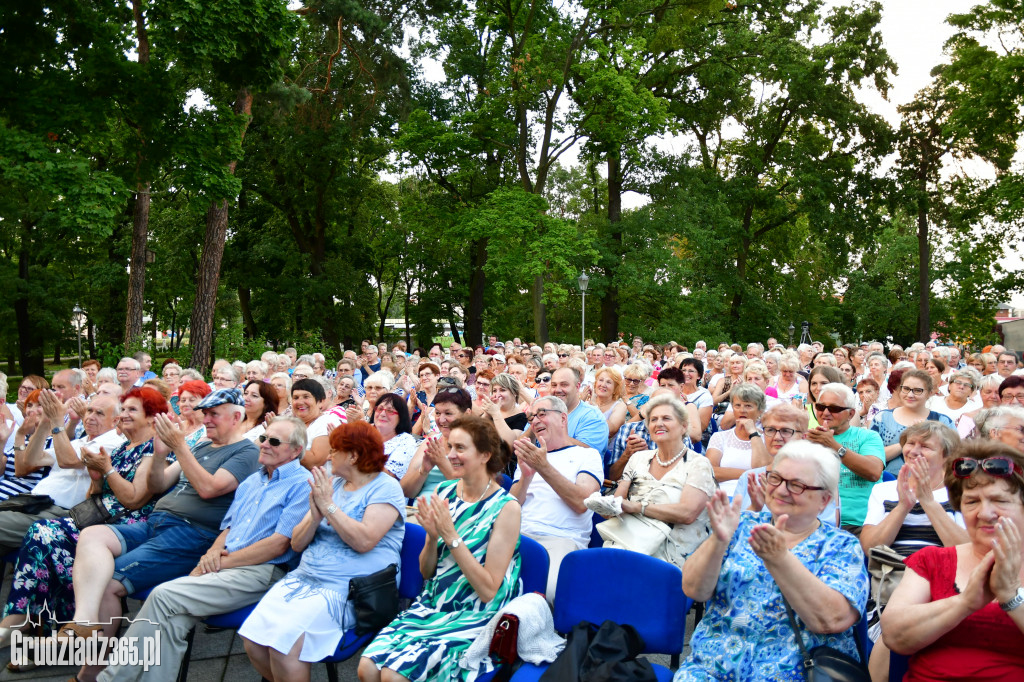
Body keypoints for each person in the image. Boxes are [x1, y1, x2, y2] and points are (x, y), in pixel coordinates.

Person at [90, 417, 311, 682]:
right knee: (171, 621)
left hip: (261, 571)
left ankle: (109, 679)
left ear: (296, 450)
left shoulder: (301, 483)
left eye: (274, 441)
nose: (264, 445)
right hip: (227, 565)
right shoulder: (253, 481)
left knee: (163, 596)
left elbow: (278, 545)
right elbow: (228, 529)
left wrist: (219, 563)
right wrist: (211, 554)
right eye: (264, 438)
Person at [59, 388, 260, 640]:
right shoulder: (202, 444)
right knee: (92, 534)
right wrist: (160, 455)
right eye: (205, 413)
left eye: (214, 414)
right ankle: (83, 622)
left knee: (107, 582)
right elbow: (158, 485)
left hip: (190, 534)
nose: (206, 419)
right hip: (157, 523)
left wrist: (179, 446)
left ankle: (92, 672)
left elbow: (209, 489)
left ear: (236, 417)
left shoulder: (247, 452)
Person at [676, 441, 867, 680]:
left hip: (794, 673)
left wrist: (781, 559)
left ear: (824, 500)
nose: (781, 490)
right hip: (710, 670)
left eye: (797, 485)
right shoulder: (741, 524)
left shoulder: (842, 546)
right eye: (775, 478)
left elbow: (830, 620)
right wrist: (718, 541)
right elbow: (693, 589)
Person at [359, 416, 522, 682]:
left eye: (460, 448)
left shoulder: (506, 508)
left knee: (393, 676)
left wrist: (449, 535)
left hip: (475, 611)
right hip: (434, 601)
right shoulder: (445, 491)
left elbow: (488, 590)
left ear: (485, 455)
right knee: (367, 667)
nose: (451, 455)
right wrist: (433, 537)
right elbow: (426, 572)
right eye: (450, 447)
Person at [241, 421, 405, 682]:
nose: (328, 456)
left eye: (334, 451)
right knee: (253, 639)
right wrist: (315, 515)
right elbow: (296, 543)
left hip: (350, 588)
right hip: (305, 578)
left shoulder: (385, 487)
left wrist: (328, 507)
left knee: (285, 647)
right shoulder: (335, 483)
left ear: (353, 455)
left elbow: (364, 541)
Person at [0, 387, 168, 638]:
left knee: (46, 535)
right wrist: (97, 480)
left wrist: (107, 470)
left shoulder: (149, 450)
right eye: (124, 409)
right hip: (95, 518)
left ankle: (34, 623)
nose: (125, 414)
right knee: (45, 536)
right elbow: (94, 497)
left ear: (152, 417)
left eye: (132, 409)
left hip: (126, 524)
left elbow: (134, 500)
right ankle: (40, 625)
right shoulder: (124, 448)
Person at [881, 440, 1024, 679]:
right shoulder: (932, 561)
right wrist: (965, 603)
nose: (985, 513)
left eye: (1000, 500)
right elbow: (895, 637)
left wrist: (1011, 597)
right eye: (971, 502)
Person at [858, 421, 967, 680]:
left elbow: (964, 549)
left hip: (942, 582)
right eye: (910, 443)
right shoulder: (884, 490)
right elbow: (871, 547)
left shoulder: (962, 492)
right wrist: (903, 506)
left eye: (926, 446)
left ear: (947, 456)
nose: (915, 450)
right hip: (890, 579)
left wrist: (928, 502)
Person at [0, 393, 125, 552]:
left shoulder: (114, 444)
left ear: (115, 421)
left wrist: (57, 422)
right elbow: (32, 460)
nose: (91, 417)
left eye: (99, 413)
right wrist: (46, 422)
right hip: (32, 503)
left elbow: (68, 461)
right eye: (89, 411)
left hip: (59, 513)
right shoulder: (80, 441)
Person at [602, 395, 716, 569]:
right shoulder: (638, 458)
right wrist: (605, 505)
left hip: (674, 553)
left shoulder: (698, 463)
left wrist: (639, 507)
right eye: (653, 419)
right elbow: (617, 502)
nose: (658, 423)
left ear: (683, 426)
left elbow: (687, 513)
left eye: (666, 418)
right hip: (630, 541)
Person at [511, 396, 602, 598]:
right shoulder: (530, 456)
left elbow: (582, 503)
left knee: (545, 593)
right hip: (519, 535)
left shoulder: (587, 455)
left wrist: (543, 467)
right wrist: (526, 476)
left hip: (561, 539)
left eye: (542, 414)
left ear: (563, 419)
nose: (535, 421)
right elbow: (510, 505)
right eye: (531, 417)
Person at [806, 382, 885, 533]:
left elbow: (874, 472)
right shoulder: (807, 439)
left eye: (834, 408)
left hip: (859, 523)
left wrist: (833, 445)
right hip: (815, 522)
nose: (826, 412)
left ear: (851, 413)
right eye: (821, 407)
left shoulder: (867, 436)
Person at [871, 369, 953, 476]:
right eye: (906, 389)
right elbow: (872, 457)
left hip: (929, 484)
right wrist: (907, 441)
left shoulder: (942, 421)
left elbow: (951, 458)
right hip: (888, 483)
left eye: (917, 390)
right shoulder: (882, 418)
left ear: (929, 393)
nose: (910, 395)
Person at [706, 384, 766, 498]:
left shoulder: (767, 439)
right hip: (722, 496)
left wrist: (753, 434)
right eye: (737, 405)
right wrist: (748, 473)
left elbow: (764, 472)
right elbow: (711, 471)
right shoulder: (720, 437)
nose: (742, 410)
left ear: (759, 411)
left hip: (755, 497)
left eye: (748, 406)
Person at [548, 367, 609, 455]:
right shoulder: (545, 411)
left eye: (564, 385)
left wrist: (547, 432)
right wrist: (534, 426)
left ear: (577, 387)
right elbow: (522, 444)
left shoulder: (593, 416)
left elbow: (588, 454)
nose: (557, 390)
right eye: (554, 385)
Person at [372, 393, 419, 480]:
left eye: (389, 411)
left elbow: (389, 477)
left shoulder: (406, 441)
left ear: (401, 417)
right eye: (380, 409)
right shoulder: (366, 430)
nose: (382, 414)